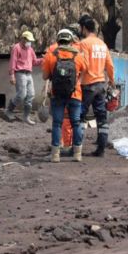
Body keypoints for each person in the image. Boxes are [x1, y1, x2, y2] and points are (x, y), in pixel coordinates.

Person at [42, 28, 87, 163]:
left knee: (57, 123)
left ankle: (55, 155)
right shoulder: (78, 56)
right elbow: (84, 72)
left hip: (57, 94)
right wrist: (77, 82)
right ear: (71, 41)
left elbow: (45, 76)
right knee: (76, 123)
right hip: (75, 93)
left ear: (58, 40)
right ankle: (77, 154)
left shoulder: (51, 56)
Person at [78, 14, 115, 157]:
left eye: (81, 28)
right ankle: (101, 148)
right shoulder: (102, 44)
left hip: (88, 84)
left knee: (80, 116)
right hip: (101, 84)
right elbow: (110, 65)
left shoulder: (84, 43)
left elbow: (84, 65)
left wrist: (78, 79)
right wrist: (111, 80)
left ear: (84, 28)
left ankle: (77, 147)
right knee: (101, 117)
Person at [5, 30, 43, 124]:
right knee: (22, 94)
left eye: (30, 41)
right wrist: (12, 75)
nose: (29, 42)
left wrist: (44, 59)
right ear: (23, 39)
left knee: (30, 95)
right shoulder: (16, 48)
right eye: (28, 40)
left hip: (29, 74)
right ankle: (9, 110)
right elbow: (12, 62)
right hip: (20, 73)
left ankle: (26, 117)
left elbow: (34, 61)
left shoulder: (30, 49)